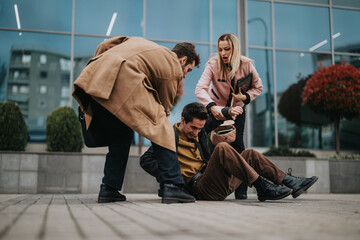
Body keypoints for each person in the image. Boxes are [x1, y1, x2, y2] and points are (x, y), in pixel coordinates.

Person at [72, 36, 200, 204]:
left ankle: (109, 189)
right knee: (163, 128)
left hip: (96, 78)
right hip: (123, 79)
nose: (184, 75)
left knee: (121, 137)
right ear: (183, 60)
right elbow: (164, 107)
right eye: (188, 70)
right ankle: (172, 186)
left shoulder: (140, 42)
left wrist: (104, 68)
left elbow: (105, 44)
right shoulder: (172, 64)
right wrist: (162, 129)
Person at [140, 102, 318, 202]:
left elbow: (218, 117)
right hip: (200, 188)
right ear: (183, 120)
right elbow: (145, 160)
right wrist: (172, 175)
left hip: (215, 180)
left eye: (200, 128)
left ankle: (290, 181)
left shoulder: (200, 132)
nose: (196, 132)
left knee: (250, 154)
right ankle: (261, 186)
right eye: (193, 127)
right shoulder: (168, 135)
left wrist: (231, 110)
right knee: (222, 149)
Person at [195, 33, 264, 199]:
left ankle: (241, 190)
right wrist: (212, 107)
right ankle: (209, 181)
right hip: (215, 109)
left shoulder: (247, 65)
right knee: (209, 142)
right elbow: (200, 88)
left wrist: (244, 97)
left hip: (237, 109)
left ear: (235, 49)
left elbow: (258, 87)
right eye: (220, 50)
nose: (223, 53)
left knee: (238, 145)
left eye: (227, 49)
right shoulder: (213, 64)